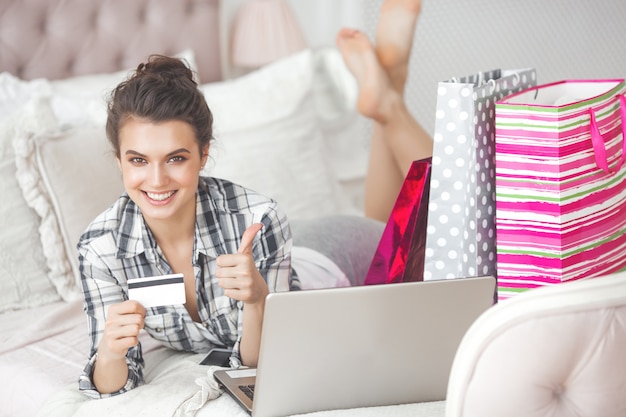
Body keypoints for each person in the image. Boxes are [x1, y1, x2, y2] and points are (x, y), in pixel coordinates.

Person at [77, 0, 429, 399]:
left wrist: (259, 299)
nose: (156, 180)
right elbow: (111, 384)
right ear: (119, 160)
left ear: (203, 154)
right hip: (301, 245)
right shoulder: (101, 249)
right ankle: (388, 90)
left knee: (424, 231)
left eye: (176, 158)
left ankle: (390, 101)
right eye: (138, 160)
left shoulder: (258, 218)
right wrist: (109, 352)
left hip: (333, 259)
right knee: (388, 219)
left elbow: (266, 360)